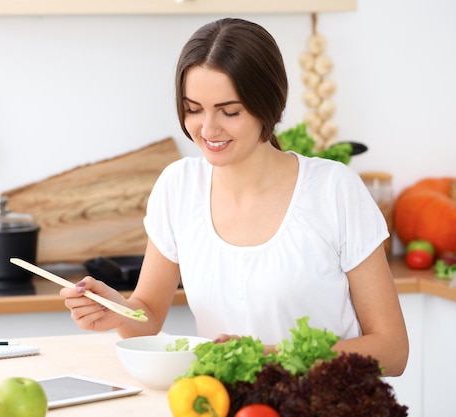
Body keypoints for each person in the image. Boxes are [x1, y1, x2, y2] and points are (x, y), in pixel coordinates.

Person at [60, 18, 409, 377]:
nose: (208, 129)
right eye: (193, 109)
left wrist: (267, 357)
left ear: (268, 106)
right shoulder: (178, 186)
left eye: (230, 111)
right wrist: (112, 308)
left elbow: (392, 349)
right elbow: (146, 314)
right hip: (223, 402)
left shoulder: (333, 190)